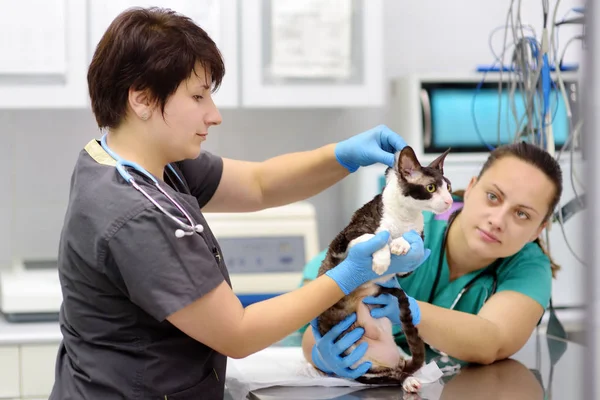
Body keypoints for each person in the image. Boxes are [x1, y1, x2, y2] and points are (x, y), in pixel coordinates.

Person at [48, 7, 430, 400]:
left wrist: (344, 155)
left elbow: (259, 184)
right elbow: (239, 333)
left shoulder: (130, 161)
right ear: (142, 98)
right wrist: (349, 274)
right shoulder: (137, 213)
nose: (213, 115)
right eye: (197, 96)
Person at [301, 141, 563, 378]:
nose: (498, 220)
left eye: (522, 214)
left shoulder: (529, 267)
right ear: (470, 189)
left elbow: (493, 341)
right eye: (493, 197)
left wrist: (409, 310)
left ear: (539, 230)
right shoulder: (407, 230)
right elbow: (314, 325)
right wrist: (321, 355)